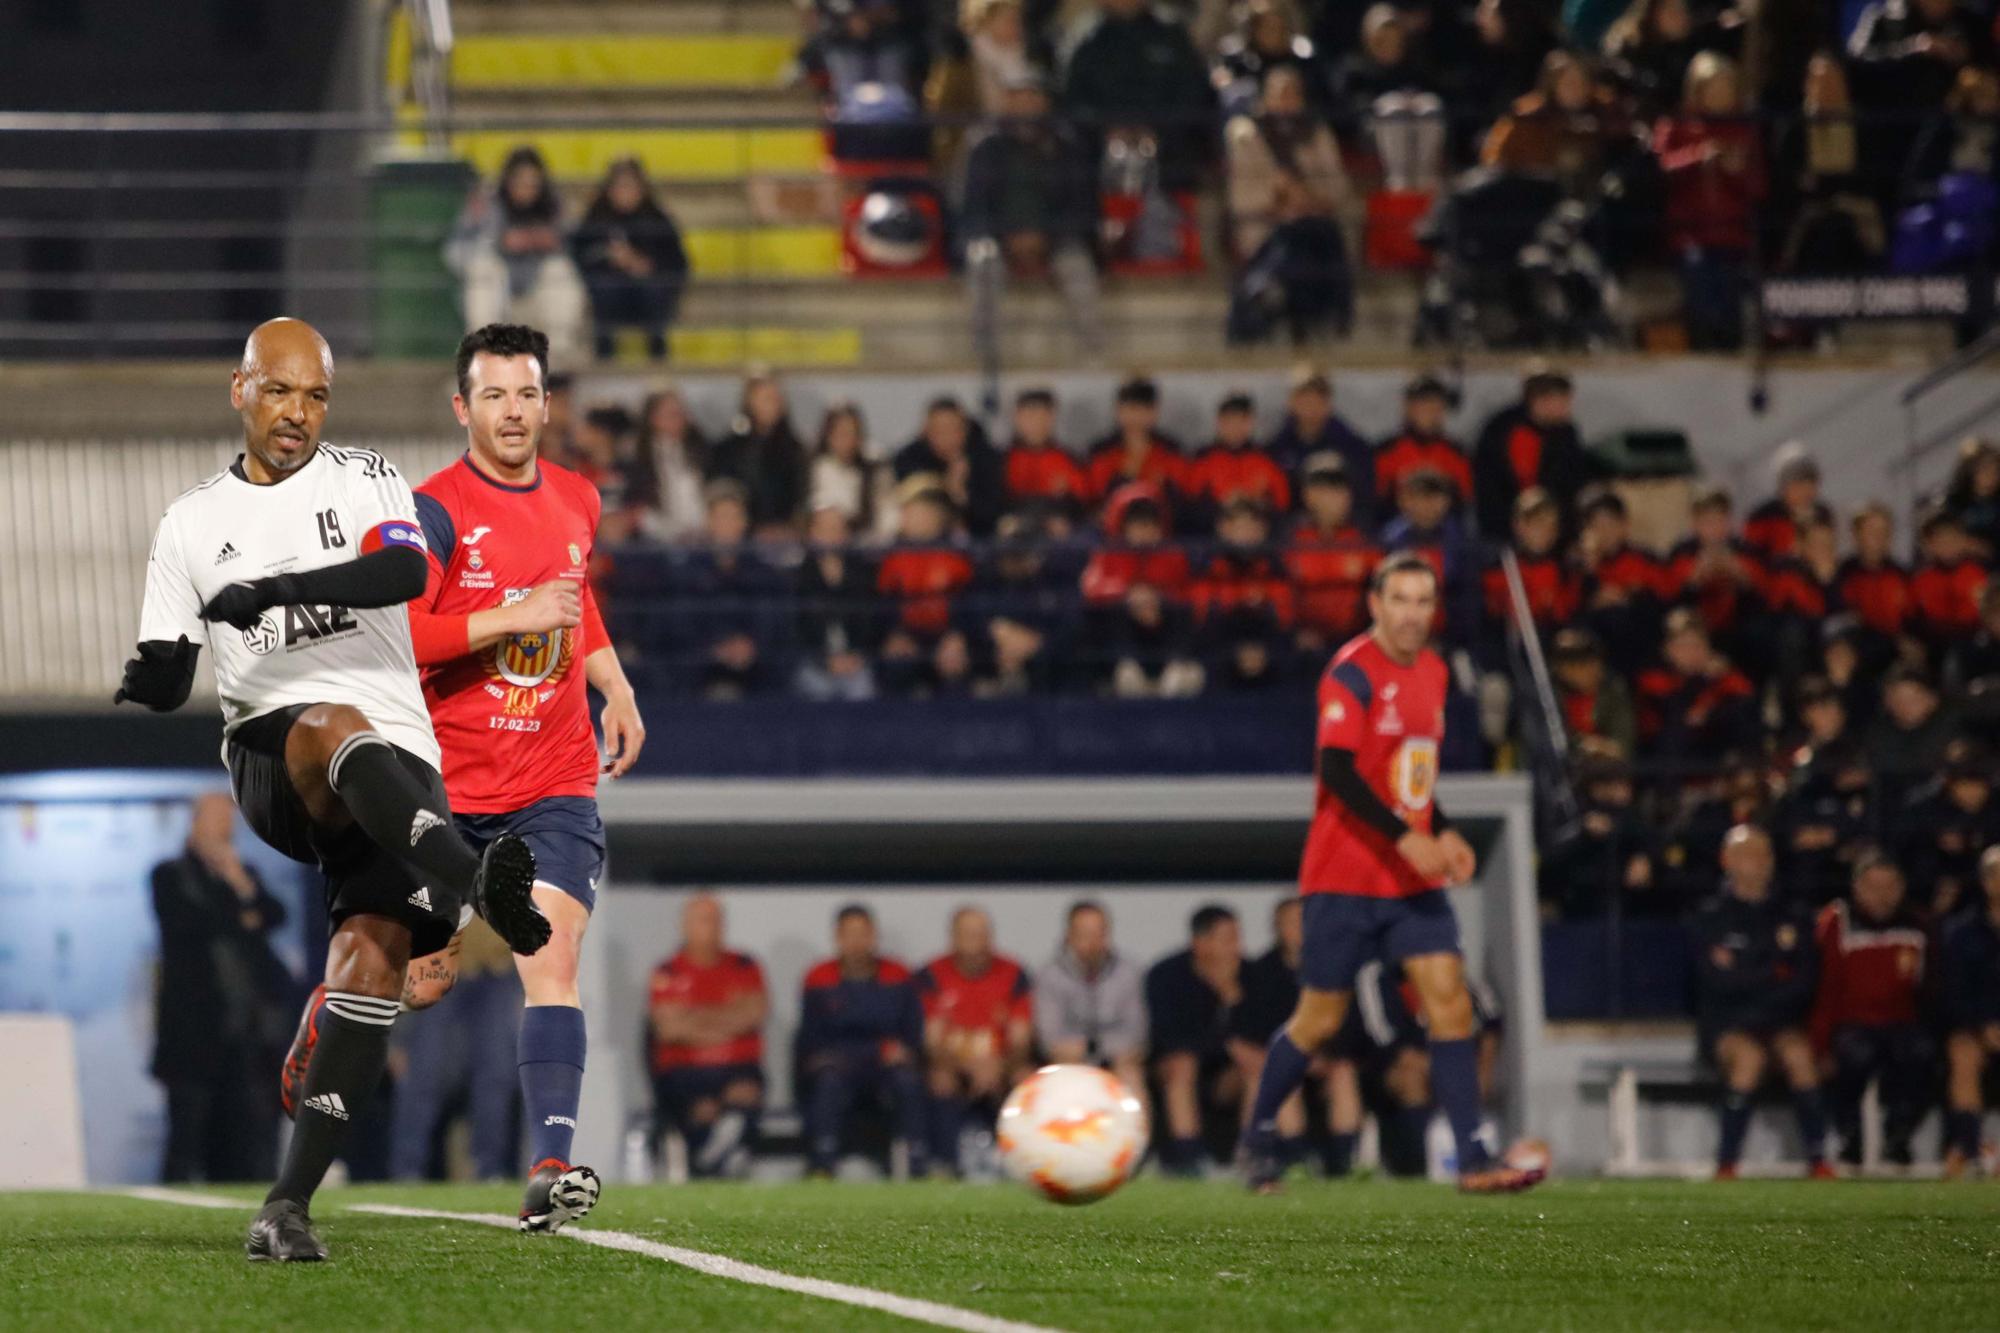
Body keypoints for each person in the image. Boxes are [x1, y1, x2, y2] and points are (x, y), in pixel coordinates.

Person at [116, 318, 548, 1262]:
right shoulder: (190, 520)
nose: (298, 414)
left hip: (399, 759)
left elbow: (403, 568)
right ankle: (478, 879)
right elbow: (169, 656)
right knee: (327, 724)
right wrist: (153, 677)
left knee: (376, 964)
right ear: (241, 389)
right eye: (280, 392)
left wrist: (271, 589)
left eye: (315, 395)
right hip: (277, 754)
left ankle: (286, 1206)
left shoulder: (364, 476)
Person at [302, 322, 642, 1232]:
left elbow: (577, 596)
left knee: (551, 955)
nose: (513, 411)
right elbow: (401, 634)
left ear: (546, 401)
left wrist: (611, 681)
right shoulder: (432, 511)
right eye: (493, 395)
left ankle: (549, 1168)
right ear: (463, 407)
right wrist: (509, 615)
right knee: (397, 974)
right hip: (446, 790)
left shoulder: (578, 497)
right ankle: (316, 1036)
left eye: (527, 393)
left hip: (554, 778)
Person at [1238, 553, 1543, 1193]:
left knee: (1450, 1001)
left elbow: (1411, 780)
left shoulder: (1433, 674)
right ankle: (1257, 1136)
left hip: (1409, 881)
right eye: (1399, 600)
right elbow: (1340, 774)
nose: (1411, 614)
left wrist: (1444, 827)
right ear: (1374, 605)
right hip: (1344, 875)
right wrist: (1409, 836)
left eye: (1423, 601)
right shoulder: (1350, 673)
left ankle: (1474, 1157)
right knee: (1318, 1020)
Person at [150, 792, 292, 1184]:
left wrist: (239, 883)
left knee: (242, 1140)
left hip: (244, 1031)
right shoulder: (169, 875)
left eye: (227, 822)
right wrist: (242, 915)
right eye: (214, 819)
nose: (222, 830)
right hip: (193, 1034)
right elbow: (191, 924)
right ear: (195, 823)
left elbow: (275, 914)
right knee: (187, 1136)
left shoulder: (243, 874)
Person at [1692, 824, 1833, 1180]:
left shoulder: (1794, 914)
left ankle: (1819, 1160)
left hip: (1780, 1022)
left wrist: (1746, 973)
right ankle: (1726, 1164)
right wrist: (1770, 974)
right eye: (1747, 853)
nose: (1758, 861)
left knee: (1799, 1055)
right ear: (1727, 860)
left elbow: (1804, 981)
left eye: (1764, 853)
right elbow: (1713, 983)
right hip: (1729, 1025)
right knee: (1749, 1057)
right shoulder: (1709, 916)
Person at [962, 73, 1104, 385]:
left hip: (1055, 239)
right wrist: (1006, 236)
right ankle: (985, 361)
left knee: (1078, 267)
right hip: (998, 238)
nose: (1024, 103)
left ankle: (1093, 358)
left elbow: (1080, 206)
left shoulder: (1066, 145)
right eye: (1016, 96)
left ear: (1044, 101)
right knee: (982, 260)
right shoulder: (985, 145)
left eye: (1031, 95)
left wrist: (1047, 238)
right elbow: (974, 207)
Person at [1809, 853, 1931, 1167]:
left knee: (1922, 1053)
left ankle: (1899, 1137)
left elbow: (1931, 988)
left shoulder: (1918, 925)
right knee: (1854, 1054)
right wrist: (1821, 1044)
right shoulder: (1837, 921)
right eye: (1873, 886)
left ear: (1902, 888)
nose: (1882, 895)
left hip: (1902, 1022)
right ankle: (1850, 1138)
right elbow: (1823, 988)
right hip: (1851, 1022)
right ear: (1856, 887)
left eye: (1890, 886)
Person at [799, 904, 928, 1177]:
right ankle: (822, 1164)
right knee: (827, 1081)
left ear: (874, 936)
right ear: (838, 937)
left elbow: (912, 1033)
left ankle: (916, 1163)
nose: (857, 942)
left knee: (908, 1081)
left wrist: (903, 1051)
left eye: (863, 933)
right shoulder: (819, 977)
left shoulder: (898, 975)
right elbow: (812, 1039)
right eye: (849, 934)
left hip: (886, 1067)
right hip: (840, 1066)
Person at [388, 920, 521, 1183]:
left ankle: (490, 1170)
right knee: (424, 1074)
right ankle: (407, 1170)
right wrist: (398, 1036)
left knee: (495, 1078)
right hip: (439, 960)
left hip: (497, 964)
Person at [647, 894, 768, 1179]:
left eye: (716, 921)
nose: (711, 928)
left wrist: (692, 1019)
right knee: (693, 1106)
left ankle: (721, 1154)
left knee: (748, 1094)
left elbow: (754, 1014)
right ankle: (710, 1158)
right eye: (703, 921)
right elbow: (668, 1029)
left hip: (738, 1069)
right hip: (686, 1072)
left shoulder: (745, 966)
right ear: (685, 926)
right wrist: (728, 1018)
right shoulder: (668, 971)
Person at [1654, 53, 1764, 351]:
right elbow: (1659, 169)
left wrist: (1734, 171)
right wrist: (1700, 158)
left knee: (1733, 285)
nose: (1720, 94)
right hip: (1690, 235)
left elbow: (1759, 188)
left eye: (1726, 87)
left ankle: (1732, 348)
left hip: (1734, 234)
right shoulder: (1676, 125)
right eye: (1713, 87)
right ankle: (1703, 347)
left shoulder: (1745, 129)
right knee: (1699, 276)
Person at [918, 907, 1034, 1176]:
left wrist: (1000, 1066)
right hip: (951, 1065)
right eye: (967, 935)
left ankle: (1027, 1164)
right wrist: (967, 1065)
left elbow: (1021, 1039)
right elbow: (932, 1041)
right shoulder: (931, 975)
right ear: (953, 938)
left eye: (981, 935)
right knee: (940, 1080)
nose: (974, 943)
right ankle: (944, 1165)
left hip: (1002, 1065)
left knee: (1027, 1081)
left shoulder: (1014, 974)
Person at [447, 146, 589, 366]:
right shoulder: (485, 204)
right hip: (498, 298)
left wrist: (551, 243)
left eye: (533, 183)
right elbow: (455, 252)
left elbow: (580, 254)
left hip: (538, 302)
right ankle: (484, 349)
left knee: (559, 268)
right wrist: (498, 243)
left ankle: (559, 354)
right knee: (484, 268)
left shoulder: (554, 207)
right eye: (520, 182)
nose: (526, 189)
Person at [1062, 0, 1215, 192]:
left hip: (1169, 146)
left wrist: (1156, 131)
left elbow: (1193, 91)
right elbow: (1073, 99)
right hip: (1100, 147)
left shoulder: (1171, 32)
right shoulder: (1085, 36)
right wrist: (1108, 130)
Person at [1146, 905, 1247, 1176]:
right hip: (1172, 1068)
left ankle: (1255, 1153)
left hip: (1228, 1072)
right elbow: (1169, 1038)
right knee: (1183, 1064)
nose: (1236, 947)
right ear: (1200, 943)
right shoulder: (1167, 975)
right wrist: (1222, 1041)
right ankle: (1189, 1158)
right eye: (1227, 939)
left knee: (1259, 1064)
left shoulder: (1249, 975)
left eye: (1237, 938)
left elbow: (1258, 1036)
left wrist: (1231, 1002)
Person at [570, 157, 689, 361]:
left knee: (654, 288)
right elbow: (578, 257)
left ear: (643, 188)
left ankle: (658, 354)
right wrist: (608, 259)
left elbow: (679, 264)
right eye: (619, 186)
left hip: (648, 296)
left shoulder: (657, 219)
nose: (625, 192)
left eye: (631, 186)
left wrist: (642, 265)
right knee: (605, 288)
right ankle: (604, 356)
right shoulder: (596, 217)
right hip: (609, 296)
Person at [1035, 900, 1149, 1099]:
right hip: (1068, 1063)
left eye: (1100, 934)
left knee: (1130, 1074)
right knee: (1066, 1071)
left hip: (1118, 1062)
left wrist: (1092, 1048)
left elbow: (1136, 1035)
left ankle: (1135, 1131)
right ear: (1069, 936)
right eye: (1085, 935)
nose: (1093, 943)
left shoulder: (1129, 972)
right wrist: (1095, 1048)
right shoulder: (1049, 975)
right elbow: (1051, 1040)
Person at [1472, 365, 1593, 540]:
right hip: (1506, 530)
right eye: (1561, 399)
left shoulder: (1566, 433)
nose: (1568, 406)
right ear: (1539, 400)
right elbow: (1499, 488)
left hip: (1553, 532)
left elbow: (1573, 484)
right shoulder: (1506, 430)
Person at [1939, 846, 2000, 1177]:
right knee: (1963, 1053)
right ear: (1987, 882)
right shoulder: (1962, 931)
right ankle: (1972, 1148)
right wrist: (1983, 1026)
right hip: (1976, 1028)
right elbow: (1953, 992)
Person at [795, 506, 882, 702]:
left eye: (837, 528)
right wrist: (825, 661)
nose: (831, 535)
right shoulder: (798, 579)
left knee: (862, 688)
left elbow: (872, 623)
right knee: (816, 688)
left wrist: (857, 656)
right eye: (824, 529)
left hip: (857, 661)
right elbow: (796, 631)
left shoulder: (864, 576)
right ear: (811, 534)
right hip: (814, 663)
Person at [708, 371, 809, 537]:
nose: (772, 405)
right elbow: (723, 492)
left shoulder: (795, 450)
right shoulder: (727, 449)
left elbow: (801, 498)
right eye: (765, 399)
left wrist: (789, 528)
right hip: (741, 538)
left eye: (776, 399)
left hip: (785, 538)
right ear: (749, 401)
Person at [893, 396, 1007, 538]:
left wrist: (961, 494)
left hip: (977, 542)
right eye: (939, 430)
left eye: (954, 429)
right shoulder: (907, 460)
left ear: (966, 429)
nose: (947, 437)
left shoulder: (986, 458)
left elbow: (992, 513)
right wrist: (945, 485)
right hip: (920, 541)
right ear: (925, 431)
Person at [1268, 369, 1373, 518]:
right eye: (1304, 399)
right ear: (1291, 402)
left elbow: (1365, 497)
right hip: (1294, 531)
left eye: (1318, 399)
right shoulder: (1277, 448)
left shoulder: (1352, 447)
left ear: (1328, 403)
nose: (1311, 407)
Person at [1373, 373, 1472, 508]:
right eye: (1423, 404)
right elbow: (1377, 501)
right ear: (1407, 407)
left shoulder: (1457, 454)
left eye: (1436, 404)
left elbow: (1466, 501)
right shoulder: (1386, 452)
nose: (1430, 410)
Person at [625, 387, 710, 543]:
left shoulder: (701, 451)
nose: (679, 419)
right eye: (671, 414)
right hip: (657, 540)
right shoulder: (638, 459)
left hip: (701, 539)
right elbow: (637, 509)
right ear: (653, 418)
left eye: (681, 413)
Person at [809, 401, 896, 543]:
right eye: (841, 433)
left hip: (872, 543)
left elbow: (887, 507)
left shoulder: (875, 463)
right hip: (832, 542)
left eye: (853, 433)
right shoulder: (817, 467)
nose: (847, 440)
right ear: (828, 435)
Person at [1001, 388, 1091, 510]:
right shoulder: (1002, 460)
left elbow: (1085, 500)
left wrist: (1066, 497)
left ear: (1052, 417)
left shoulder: (1068, 459)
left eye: (1040, 415)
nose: (1035, 422)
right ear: (1016, 417)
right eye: (1028, 415)